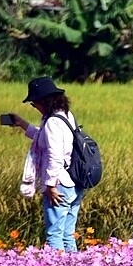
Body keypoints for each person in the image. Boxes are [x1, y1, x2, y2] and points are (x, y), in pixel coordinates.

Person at [10, 77, 85, 252]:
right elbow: (44, 138)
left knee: (54, 235)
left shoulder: (52, 122)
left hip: (59, 185)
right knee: (67, 234)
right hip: (74, 182)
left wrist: (50, 185)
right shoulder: (65, 115)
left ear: (43, 101)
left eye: (33, 103)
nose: (34, 106)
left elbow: (55, 155)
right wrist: (22, 124)